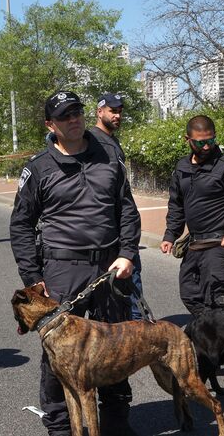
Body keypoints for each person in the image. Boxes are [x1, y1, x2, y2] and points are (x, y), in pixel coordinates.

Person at [10, 91, 141, 435]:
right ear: (50, 124)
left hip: (110, 267)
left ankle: (115, 422)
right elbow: (21, 225)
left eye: (77, 112)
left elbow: (126, 210)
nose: (74, 119)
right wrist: (33, 276)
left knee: (116, 348)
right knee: (59, 354)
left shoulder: (108, 157)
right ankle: (60, 426)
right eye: (65, 116)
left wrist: (127, 252)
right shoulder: (38, 168)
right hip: (62, 271)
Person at [160, 115, 224, 317]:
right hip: (194, 245)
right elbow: (176, 205)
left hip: (220, 244)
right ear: (187, 139)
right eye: (200, 142)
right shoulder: (182, 167)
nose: (206, 147)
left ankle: (217, 337)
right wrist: (171, 235)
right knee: (189, 294)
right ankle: (212, 332)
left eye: (211, 141)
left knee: (216, 299)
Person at [89, 92, 145, 320]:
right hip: (111, 230)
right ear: (99, 111)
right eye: (112, 111)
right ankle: (139, 340)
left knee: (125, 294)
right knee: (128, 295)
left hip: (122, 226)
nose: (117, 115)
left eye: (120, 111)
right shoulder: (93, 141)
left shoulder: (110, 140)